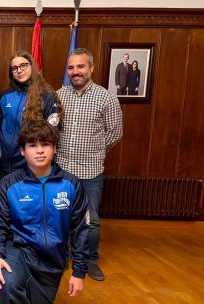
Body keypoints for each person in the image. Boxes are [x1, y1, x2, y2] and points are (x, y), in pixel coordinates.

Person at [0, 120, 89, 304]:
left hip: (52, 261)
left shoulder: (71, 185)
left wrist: (79, 272)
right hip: (18, 251)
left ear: (54, 148)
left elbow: (81, 230)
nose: (40, 150)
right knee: (6, 280)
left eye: (46, 144)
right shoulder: (9, 184)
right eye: (32, 145)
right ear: (23, 151)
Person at [58, 47, 123, 281]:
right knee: (61, 215)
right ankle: (62, 256)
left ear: (91, 68)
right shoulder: (59, 95)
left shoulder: (106, 97)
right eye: (71, 67)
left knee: (91, 220)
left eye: (80, 66)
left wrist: (95, 151)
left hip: (91, 171)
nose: (76, 72)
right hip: (62, 168)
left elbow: (115, 133)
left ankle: (89, 260)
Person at [0, 50, 63, 181]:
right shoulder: (5, 95)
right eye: (15, 68)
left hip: (31, 167)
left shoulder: (46, 95)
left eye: (23, 65)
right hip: (3, 166)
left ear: (32, 66)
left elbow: (52, 132)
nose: (19, 70)